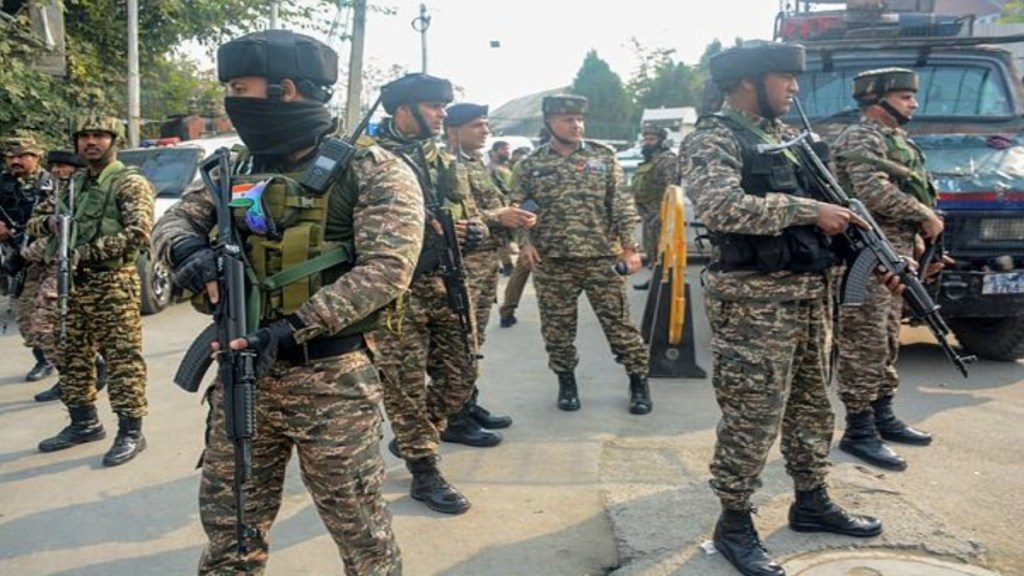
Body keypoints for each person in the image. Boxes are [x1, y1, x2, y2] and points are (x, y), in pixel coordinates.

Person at [151, 30, 418, 574]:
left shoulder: (372, 169)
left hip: (332, 383)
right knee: (230, 527)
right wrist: (188, 251)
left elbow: (387, 269)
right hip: (243, 377)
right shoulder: (234, 167)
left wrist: (291, 328)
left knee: (361, 531)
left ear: (285, 90)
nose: (230, 101)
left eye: (238, 87)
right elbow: (174, 219)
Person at [682, 41, 883, 576]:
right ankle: (734, 521)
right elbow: (721, 206)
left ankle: (811, 499)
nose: (794, 88)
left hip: (809, 296)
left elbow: (831, 212)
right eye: (784, 79)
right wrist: (809, 209)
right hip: (753, 304)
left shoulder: (785, 140)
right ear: (748, 82)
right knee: (752, 416)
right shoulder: (714, 137)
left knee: (813, 407)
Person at [366, 73, 490, 515]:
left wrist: (468, 230)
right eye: (434, 106)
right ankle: (424, 468)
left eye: (443, 106)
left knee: (462, 375)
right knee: (404, 387)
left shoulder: (441, 158)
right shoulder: (366, 160)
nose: (442, 114)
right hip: (395, 294)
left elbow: (472, 217)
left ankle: (419, 436)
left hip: (445, 282)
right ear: (404, 109)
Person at [510, 94, 652, 415]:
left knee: (620, 326)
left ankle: (639, 382)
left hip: (601, 259)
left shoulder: (603, 158)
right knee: (558, 330)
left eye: (579, 119)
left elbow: (621, 205)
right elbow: (517, 208)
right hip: (552, 262)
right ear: (549, 123)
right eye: (567, 120)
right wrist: (525, 242)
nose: (576, 125)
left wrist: (631, 248)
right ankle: (566, 383)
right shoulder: (530, 165)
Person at [832, 68, 943, 471]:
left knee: (889, 335)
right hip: (863, 255)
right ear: (876, 101)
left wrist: (915, 234)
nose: (913, 103)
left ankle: (882, 414)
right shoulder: (862, 136)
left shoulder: (896, 139)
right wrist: (923, 215)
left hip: (894, 251)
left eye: (912, 96)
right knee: (865, 339)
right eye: (903, 96)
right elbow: (870, 191)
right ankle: (858, 429)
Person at [29, 113, 153, 468]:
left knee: (122, 359)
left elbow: (138, 234)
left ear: (115, 142)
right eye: (84, 136)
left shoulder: (129, 183)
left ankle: (131, 431)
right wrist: (52, 223)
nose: (91, 142)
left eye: (100, 135)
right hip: (72, 284)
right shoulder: (69, 184)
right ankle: (83, 422)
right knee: (70, 354)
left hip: (112, 283)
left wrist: (84, 252)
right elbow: (36, 221)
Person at [439, 103, 536, 439]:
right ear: (453, 130)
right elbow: (451, 216)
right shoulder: (444, 165)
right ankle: (453, 417)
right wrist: (499, 216)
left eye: (486, 124)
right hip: (461, 267)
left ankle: (466, 402)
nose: (485, 131)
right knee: (459, 343)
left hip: (484, 265)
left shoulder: (475, 163)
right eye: (477, 125)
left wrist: (513, 215)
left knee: (474, 340)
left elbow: (484, 205)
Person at [28, 150, 108, 404]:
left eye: (62, 167)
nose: (56, 172)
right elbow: (35, 223)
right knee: (44, 329)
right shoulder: (57, 194)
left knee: (62, 329)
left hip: (85, 268)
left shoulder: (94, 191)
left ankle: (91, 368)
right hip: (54, 267)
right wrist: (48, 223)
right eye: (53, 167)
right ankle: (69, 378)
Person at [1, 136, 56, 383]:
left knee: (56, 317)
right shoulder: (3, 184)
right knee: (26, 318)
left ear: (36, 157)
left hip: (52, 258)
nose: (16, 161)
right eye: (11, 157)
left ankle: (80, 368)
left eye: (22, 156)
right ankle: (45, 360)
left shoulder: (52, 183)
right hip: (22, 262)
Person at [630, 125, 680, 290]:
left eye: (651, 139)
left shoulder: (667, 160)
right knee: (651, 249)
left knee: (663, 251)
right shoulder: (650, 161)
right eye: (645, 139)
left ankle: (666, 284)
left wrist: (666, 214)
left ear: (661, 141)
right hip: (648, 215)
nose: (647, 143)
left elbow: (673, 187)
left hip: (661, 215)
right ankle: (655, 279)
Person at [487, 139, 517, 275]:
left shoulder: (508, 167)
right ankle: (507, 264)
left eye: (508, 149)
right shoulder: (491, 169)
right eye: (503, 149)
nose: (507, 152)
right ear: (494, 152)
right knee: (502, 237)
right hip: (500, 206)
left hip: (511, 203)